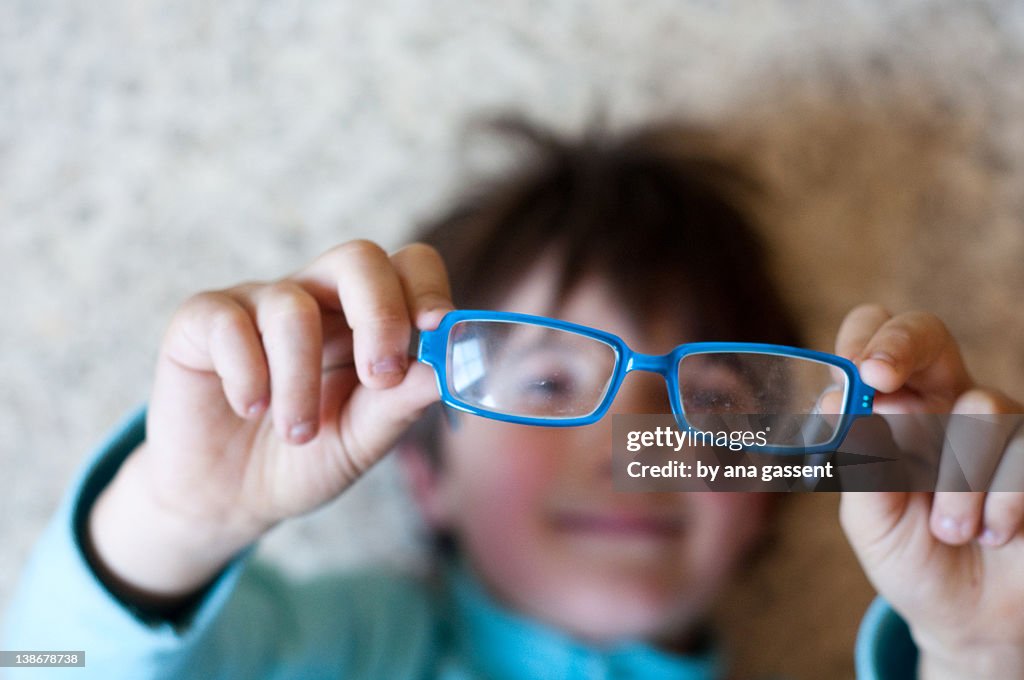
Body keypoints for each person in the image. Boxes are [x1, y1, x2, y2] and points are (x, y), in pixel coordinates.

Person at [5, 118, 1024, 680]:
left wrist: (978, 649)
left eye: (707, 401)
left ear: (766, 492)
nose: (633, 440)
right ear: (423, 466)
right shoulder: (329, 650)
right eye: (543, 381)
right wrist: (176, 518)